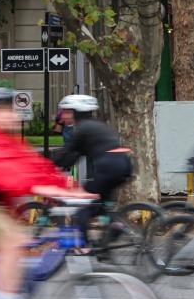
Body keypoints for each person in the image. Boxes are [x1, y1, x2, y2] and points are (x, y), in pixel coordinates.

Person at [0, 88, 94, 299]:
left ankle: (10, 293)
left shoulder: (9, 139)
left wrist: (69, 188)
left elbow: (35, 166)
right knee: (11, 238)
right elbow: (6, 174)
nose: (13, 114)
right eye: (5, 109)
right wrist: (40, 188)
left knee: (20, 240)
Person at [52, 94, 134, 248]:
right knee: (100, 204)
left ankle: (86, 247)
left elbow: (68, 152)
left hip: (108, 168)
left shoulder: (82, 129)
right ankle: (111, 234)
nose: (63, 115)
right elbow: (76, 154)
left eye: (67, 112)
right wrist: (65, 165)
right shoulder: (95, 126)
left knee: (82, 205)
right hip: (122, 165)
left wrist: (49, 164)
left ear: (77, 112)